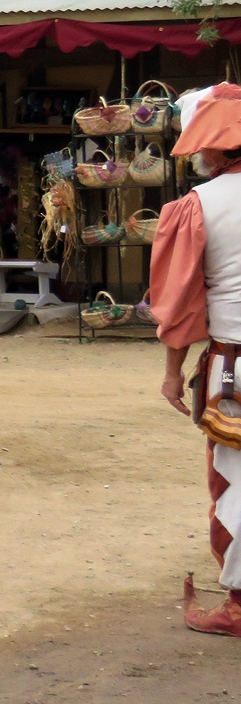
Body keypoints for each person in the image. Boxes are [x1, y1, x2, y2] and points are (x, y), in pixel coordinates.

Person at [150, 83, 241, 637]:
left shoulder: (199, 206)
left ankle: (239, 605)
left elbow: (181, 302)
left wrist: (171, 373)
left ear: (216, 147)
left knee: (235, 481)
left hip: (234, 365)